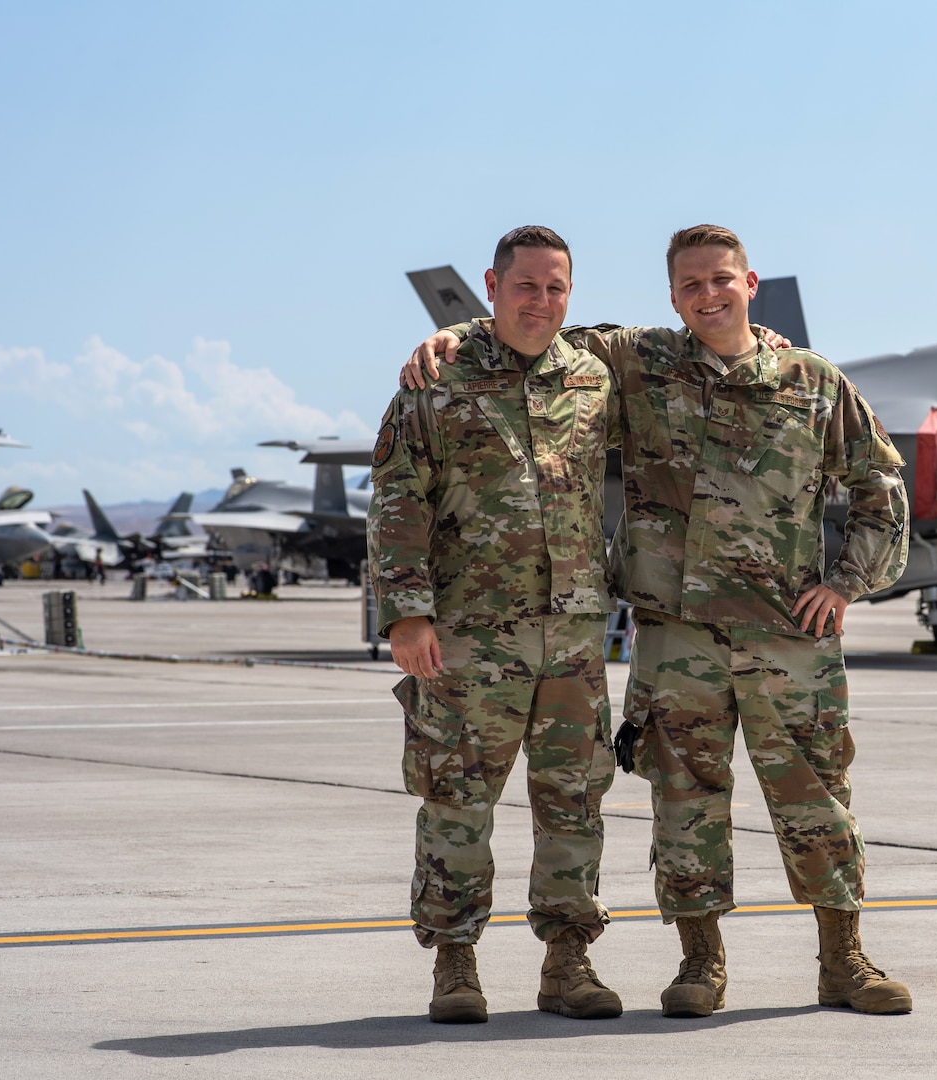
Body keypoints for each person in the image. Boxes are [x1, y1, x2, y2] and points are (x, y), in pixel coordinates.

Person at [402, 224, 914, 1016]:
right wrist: (453, 333)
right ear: (672, 298)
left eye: (721, 280)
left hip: (789, 638)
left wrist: (849, 582)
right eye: (690, 286)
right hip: (675, 637)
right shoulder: (641, 363)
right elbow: (531, 332)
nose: (708, 295)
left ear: (751, 283)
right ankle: (699, 964)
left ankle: (843, 960)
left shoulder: (813, 381)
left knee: (817, 800)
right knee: (684, 799)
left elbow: (880, 481)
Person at [368, 225, 624, 1025]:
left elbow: (696, 352)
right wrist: (406, 614)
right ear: (492, 283)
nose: (540, 301)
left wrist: (766, 330)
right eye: (526, 285)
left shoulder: (594, 374)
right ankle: (454, 964)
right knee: (456, 801)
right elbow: (398, 498)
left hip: (574, 639)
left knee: (574, 802)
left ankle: (568, 961)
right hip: (468, 637)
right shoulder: (437, 378)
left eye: (556, 288)